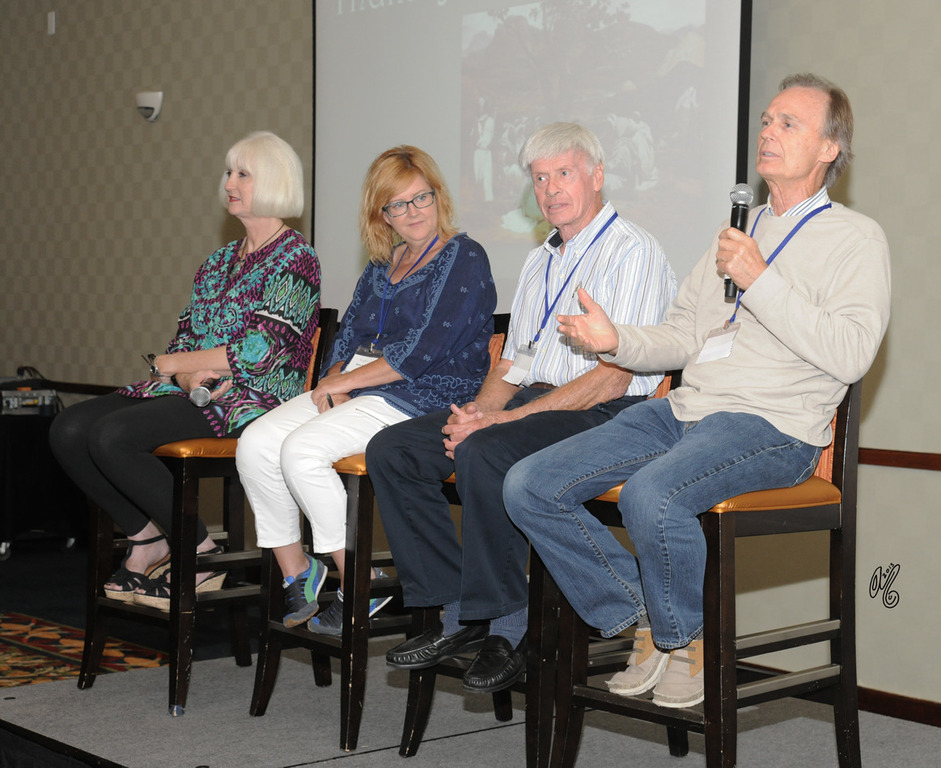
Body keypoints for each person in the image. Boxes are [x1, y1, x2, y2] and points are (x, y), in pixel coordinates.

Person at [504, 73, 891, 709]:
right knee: (528, 483)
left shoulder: (855, 238)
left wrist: (760, 279)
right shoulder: (736, 231)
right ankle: (649, 616)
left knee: (652, 495)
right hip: (686, 413)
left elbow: (851, 354)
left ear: (829, 148)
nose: (768, 131)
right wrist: (616, 340)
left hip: (772, 427)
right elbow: (684, 334)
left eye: (788, 123)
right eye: (766, 120)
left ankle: (686, 640)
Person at [366, 122, 676, 693]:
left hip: (604, 412)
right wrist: (476, 413)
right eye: (540, 178)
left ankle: (507, 628)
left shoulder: (632, 251)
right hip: (536, 405)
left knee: (486, 450)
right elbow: (510, 365)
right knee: (393, 449)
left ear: (597, 176)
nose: (551, 189)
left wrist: (501, 422)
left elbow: (612, 378)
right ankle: (457, 611)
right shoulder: (539, 260)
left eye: (564, 173)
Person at [50, 131, 321, 610]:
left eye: (242, 174)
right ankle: (146, 537)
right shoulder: (218, 261)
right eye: (228, 173)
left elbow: (260, 352)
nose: (229, 183)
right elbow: (185, 339)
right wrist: (184, 374)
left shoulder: (297, 257)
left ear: (274, 181)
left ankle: (199, 551)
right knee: (68, 429)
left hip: (253, 400)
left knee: (113, 436)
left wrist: (174, 365)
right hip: (194, 391)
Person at [235, 146, 496, 635]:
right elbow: (348, 335)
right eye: (397, 204)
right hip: (361, 388)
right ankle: (299, 573)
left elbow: (423, 350)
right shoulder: (382, 263)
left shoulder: (464, 256)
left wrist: (346, 382)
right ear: (382, 214)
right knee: (255, 443)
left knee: (301, 451)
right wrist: (334, 381)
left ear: (438, 196)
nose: (412, 212)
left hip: (421, 396)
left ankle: (361, 582)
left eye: (421, 198)